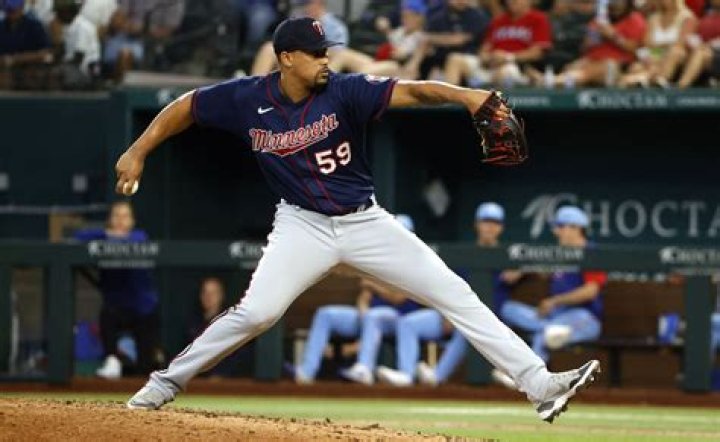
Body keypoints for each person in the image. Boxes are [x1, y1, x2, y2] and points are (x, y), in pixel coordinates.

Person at [118, 16, 599, 423]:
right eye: (314, 53)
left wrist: (467, 95)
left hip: (364, 222)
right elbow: (186, 106)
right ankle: (161, 386)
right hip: (301, 225)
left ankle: (538, 384)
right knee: (258, 313)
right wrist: (138, 151)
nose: (325, 59)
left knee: (454, 292)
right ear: (287, 58)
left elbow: (415, 92)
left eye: (326, 51)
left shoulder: (345, 90)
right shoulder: (246, 98)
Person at [376, 202, 522, 387]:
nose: (490, 227)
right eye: (486, 222)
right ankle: (406, 375)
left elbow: (536, 263)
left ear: (501, 227)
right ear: (477, 224)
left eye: (494, 222)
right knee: (407, 323)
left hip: (483, 320)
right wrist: (447, 312)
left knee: (467, 330)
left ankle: (436, 376)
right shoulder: (464, 254)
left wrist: (521, 269)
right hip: (452, 313)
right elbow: (446, 287)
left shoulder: (508, 256)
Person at [289, 214, 421, 385]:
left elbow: (399, 298)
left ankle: (364, 369)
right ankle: (306, 372)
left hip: (399, 318)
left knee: (373, 316)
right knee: (326, 314)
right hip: (370, 317)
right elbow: (364, 294)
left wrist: (374, 287)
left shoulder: (413, 261)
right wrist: (362, 310)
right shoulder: (380, 258)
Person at [493, 206, 605, 390]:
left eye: (560, 226)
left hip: (584, 319)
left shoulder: (591, 252)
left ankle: (521, 378)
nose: (556, 231)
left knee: (546, 334)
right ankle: (522, 371)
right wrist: (522, 269)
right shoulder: (560, 252)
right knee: (508, 310)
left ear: (576, 228)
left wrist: (554, 301)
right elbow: (544, 271)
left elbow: (590, 291)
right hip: (555, 316)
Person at [74, 200, 164, 379]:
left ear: (132, 221)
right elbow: (78, 237)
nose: (121, 220)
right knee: (107, 315)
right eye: (116, 216)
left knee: (145, 365)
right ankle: (112, 360)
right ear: (109, 220)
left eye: (125, 216)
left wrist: (112, 237)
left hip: (143, 309)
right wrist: (107, 234)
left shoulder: (139, 236)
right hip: (116, 308)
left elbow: (137, 239)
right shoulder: (103, 238)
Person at [530, 0, 646, 88]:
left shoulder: (635, 19)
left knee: (598, 69)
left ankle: (550, 80)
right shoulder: (600, 20)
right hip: (591, 60)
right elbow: (584, 48)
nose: (615, 3)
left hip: (616, 66)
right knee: (573, 67)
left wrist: (613, 35)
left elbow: (634, 48)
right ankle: (554, 81)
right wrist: (593, 39)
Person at [444, 0, 552, 88]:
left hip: (517, 68)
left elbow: (538, 52)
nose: (511, 2)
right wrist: (485, 56)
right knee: (455, 59)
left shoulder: (538, 18)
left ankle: (493, 104)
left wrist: (508, 57)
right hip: (490, 66)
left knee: (505, 71)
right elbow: (485, 47)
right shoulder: (498, 20)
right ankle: (447, 104)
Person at [251, 0, 348, 75]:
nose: (303, 9)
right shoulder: (297, 21)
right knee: (269, 49)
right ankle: (254, 90)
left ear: (318, 2)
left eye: (306, 4)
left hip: (318, 66)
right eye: (302, 5)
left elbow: (337, 54)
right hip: (294, 62)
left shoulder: (335, 26)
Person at [618, 0, 697, 88]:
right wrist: (663, 47)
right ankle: (645, 79)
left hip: (674, 54)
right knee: (636, 67)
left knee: (674, 52)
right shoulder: (653, 18)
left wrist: (659, 47)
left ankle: (646, 78)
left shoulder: (687, 18)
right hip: (655, 53)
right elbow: (647, 43)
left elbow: (680, 43)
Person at [418, 0, 490, 80]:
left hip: (471, 58)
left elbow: (458, 40)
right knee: (424, 52)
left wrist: (434, 38)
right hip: (441, 60)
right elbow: (425, 37)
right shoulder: (439, 15)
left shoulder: (477, 16)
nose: (461, 1)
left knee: (453, 59)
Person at [186, 277, 243, 378]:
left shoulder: (231, 323)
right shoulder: (193, 324)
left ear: (221, 296)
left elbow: (236, 357)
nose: (208, 297)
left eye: (213, 293)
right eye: (205, 293)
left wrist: (220, 376)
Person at [0, 0, 52, 89]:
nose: (12, 11)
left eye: (14, 8)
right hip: (5, 71)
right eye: (9, 8)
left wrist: (16, 59)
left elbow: (46, 53)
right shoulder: (1, 26)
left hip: (31, 69)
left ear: (21, 7)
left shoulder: (34, 26)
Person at [677, 0, 720, 87]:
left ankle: (680, 87)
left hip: (713, 52)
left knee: (701, 54)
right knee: (677, 51)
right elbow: (699, 36)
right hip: (703, 49)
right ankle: (658, 82)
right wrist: (691, 42)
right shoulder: (706, 13)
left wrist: (708, 45)